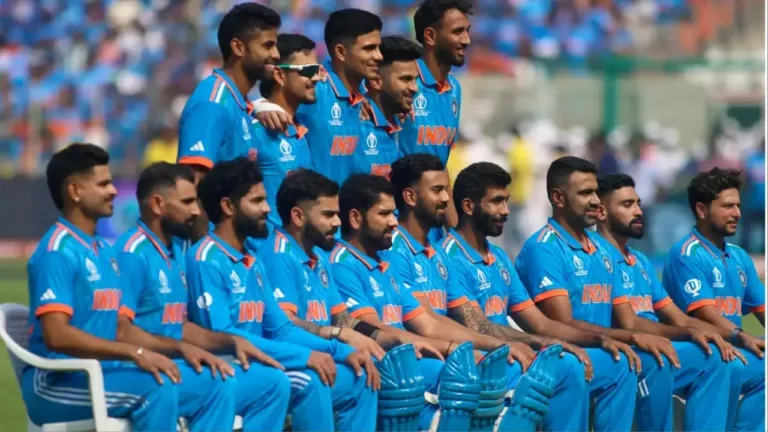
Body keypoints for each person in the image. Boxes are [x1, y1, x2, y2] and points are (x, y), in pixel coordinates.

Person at [333, 173, 560, 431]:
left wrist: (495, 345)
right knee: (462, 377)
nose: (393, 222)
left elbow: (428, 322)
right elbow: (379, 331)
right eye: (384, 214)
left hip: (413, 355)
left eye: (393, 214)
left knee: (529, 376)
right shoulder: (343, 264)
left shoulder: (386, 265)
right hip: (390, 360)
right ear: (355, 218)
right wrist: (452, 349)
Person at [445, 162, 645, 432]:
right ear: (469, 206)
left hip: (513, 354)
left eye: (506, 201)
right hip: (483, 361)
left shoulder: (499, 257)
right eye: (496, 202)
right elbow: (478, 325)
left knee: (619, 364)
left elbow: (539, 323)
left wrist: (597, 340)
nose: (506, 211)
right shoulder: (449, 256)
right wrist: (543, 342)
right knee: (571, 367)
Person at [186, 157, 378, 432]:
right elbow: (223, 335)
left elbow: (281, 329)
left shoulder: (252, 262)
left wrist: (341, 350)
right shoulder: (206, 258)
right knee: (307, 382)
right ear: (228, 206)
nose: (267, 209)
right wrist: (305, 356)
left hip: (263, 363)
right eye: (257, 201)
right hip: (228, 369)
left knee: (361, 376)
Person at [114, 162, 291, 432]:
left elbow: (180, 325)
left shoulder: (174, 253)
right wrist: (182, 349)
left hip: (177, 364)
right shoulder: (132, 253)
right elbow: (120, 330)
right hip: (140, 369)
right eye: (187, 202)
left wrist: (230, 342)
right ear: (158, 204)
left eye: (195, 202)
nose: (197, 211)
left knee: (273, 383)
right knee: (217, 384)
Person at [514, 156, 678, 432]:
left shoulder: (602, 249)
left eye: (595, 193)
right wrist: (623, 338)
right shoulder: (544, 248)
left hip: (598, 350)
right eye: (585, 193)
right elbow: (561, 322)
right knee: (617, 362)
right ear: (558, 198)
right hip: (559, 355)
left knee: (648, 360)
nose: (594, 201)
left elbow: (627, 318)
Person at [23, 143, 178, 430]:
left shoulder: (104, 251)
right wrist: (133, 353)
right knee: (157, 391)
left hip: (105, 373)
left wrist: (180, 350)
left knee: (202, 385)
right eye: (103, 184)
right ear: (75, 190)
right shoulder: (57, 252)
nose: (114, 191)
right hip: (58, 382)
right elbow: (57, 336)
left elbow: (120, 329)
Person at [596, 173, 740, 432]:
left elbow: (677, 316)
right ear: (601, 212)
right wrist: (686, 333)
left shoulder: (639, 260)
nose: (638, 211)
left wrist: (726, 334)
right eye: (627, 205)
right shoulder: (597, 257)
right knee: (659, 360)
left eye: (638, 203)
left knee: (715, 356)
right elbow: (629, 323)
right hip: (628, 350)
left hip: (656, 346)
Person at [255, 169, 387, 432]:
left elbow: (343, 319)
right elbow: (285, 325)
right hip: (288, 361)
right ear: (298, 216)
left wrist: (383, 338)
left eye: (337, 213)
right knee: (323, 381)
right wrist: (338, 336)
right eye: (328, 215)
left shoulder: (320, 257)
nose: (337, 222)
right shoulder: (278, 255)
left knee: (368, 375)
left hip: (324, 354)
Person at [662, 167, 766, 432]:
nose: (737, 213)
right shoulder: (686, 254)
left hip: (731, 349)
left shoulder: (739, 256)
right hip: (698, 353)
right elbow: (706, 314)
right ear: (701, 209)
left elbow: (762, 309)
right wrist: (743, 336)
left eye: (738, 206)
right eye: (728, 206)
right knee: (726, 364)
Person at [255, 8, 383, 185]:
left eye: (378, 47)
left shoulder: (362, 96)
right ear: (341, 52)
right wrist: (260, 106)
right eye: (369, 48)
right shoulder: (317, 89)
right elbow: (278, 94)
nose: (379, 56)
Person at [177, 3, 281, 177]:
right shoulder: (213, 104)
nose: (276, 54)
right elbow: (194, 182)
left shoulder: (240, 102)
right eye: (267, 45)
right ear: (238, 47)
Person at [254, 33, 318, 231]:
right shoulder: (255, 128)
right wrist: (256, 106)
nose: (316, 78)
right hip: (264, 246)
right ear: (280, 75)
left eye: (317, 70)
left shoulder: (301, 126)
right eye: (307, 70)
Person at [353, 35, 420, 178]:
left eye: (416, 79)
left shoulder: (401, 123)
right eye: (405, 79)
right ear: (376, 81)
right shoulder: (355, 125)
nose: (415, 88)